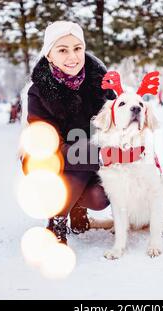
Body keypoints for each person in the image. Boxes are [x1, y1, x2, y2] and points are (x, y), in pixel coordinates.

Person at [24, 21, 115, 244]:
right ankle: (56, 223)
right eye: (62, 50)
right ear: (49, 55)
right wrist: (94, 155)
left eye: (77, 48)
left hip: (89, 158)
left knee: (99, 196)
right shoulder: (38, 92)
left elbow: (114, 126)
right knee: (82, 152)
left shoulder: (100, 83)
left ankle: (76, 210)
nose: (72, 56)